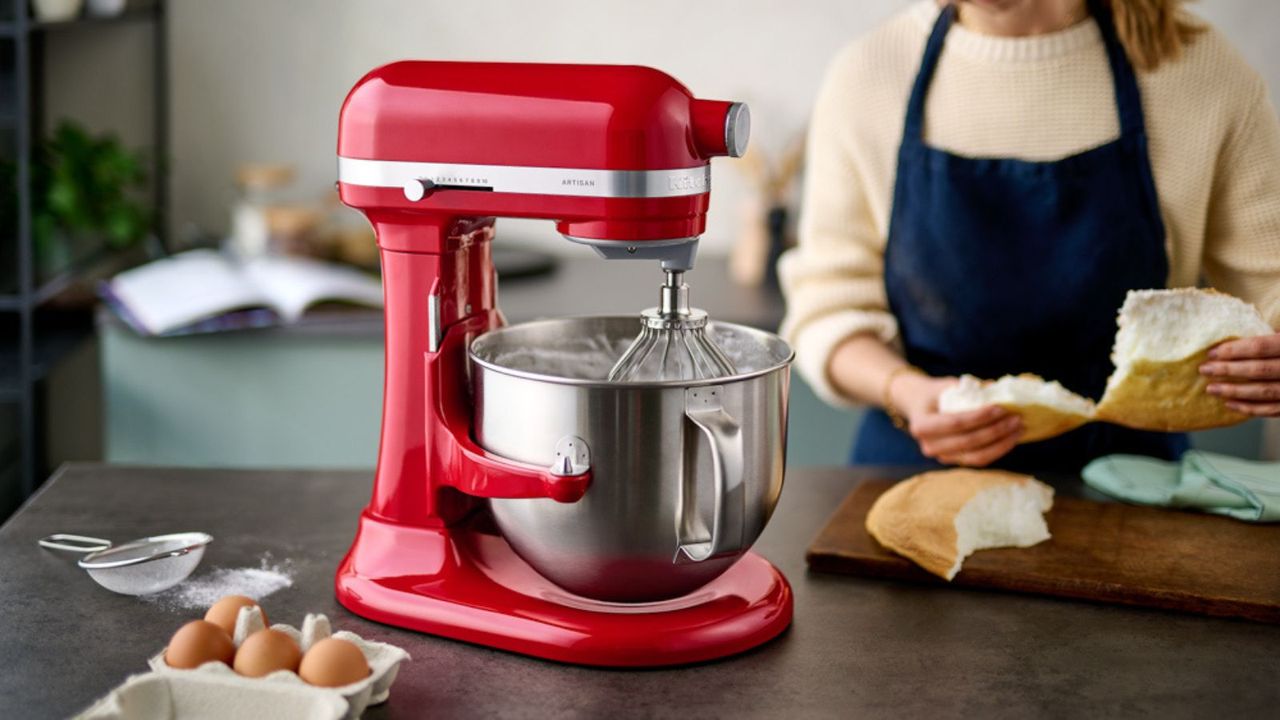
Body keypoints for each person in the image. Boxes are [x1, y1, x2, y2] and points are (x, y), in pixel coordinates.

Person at [780, 0, 1280, 471]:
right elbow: (828, 309)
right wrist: (907, 392)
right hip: (917, 478)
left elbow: (1272, 292)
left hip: (1136, 491)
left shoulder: (1199, 72)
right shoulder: (869, 75)